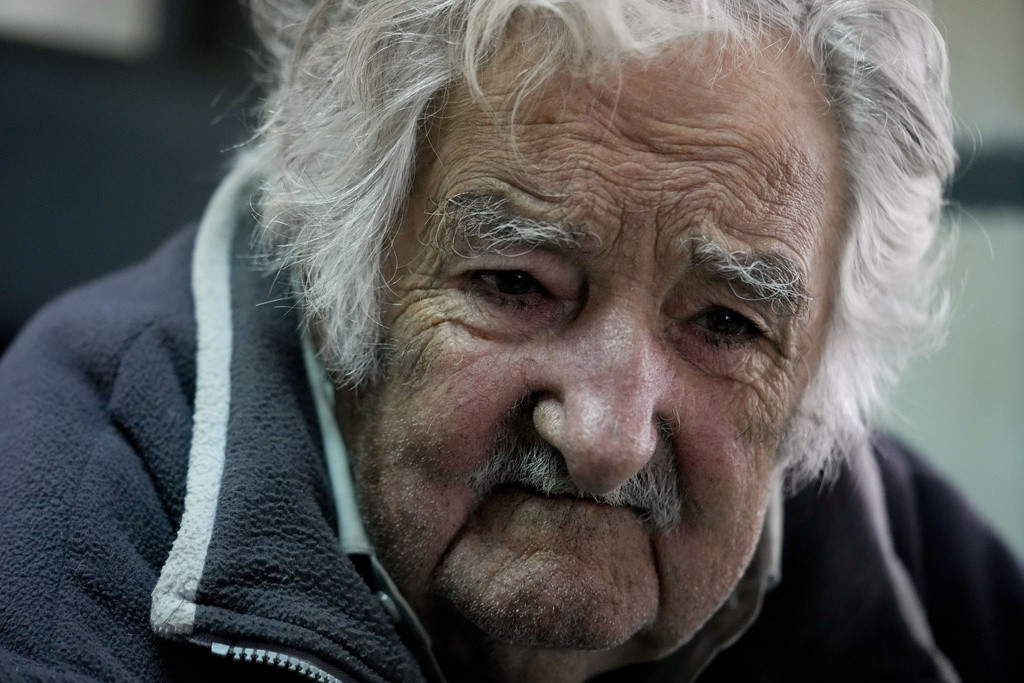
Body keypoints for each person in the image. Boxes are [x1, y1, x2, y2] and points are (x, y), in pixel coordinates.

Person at [1, 0, 1021, 680]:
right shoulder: (53, 553)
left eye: (724, 322)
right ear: (344, 266)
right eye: (517, 283)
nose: (608, 434)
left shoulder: (899, 557)